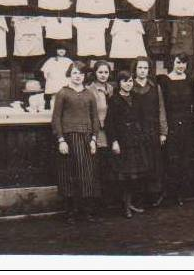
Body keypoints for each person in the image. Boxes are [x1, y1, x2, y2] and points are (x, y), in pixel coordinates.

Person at [52, 61, 102, 223]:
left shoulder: (89, 94)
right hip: (69, 139)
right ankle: (70, 213)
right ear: (69, 75)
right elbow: (56, 119)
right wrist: (61, 140)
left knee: (86, 175)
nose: (78, 76)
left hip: (86, 139)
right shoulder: (63, 93)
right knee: (69, 174)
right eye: (74, 73)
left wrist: (94, 139)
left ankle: (86, 211)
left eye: (80, 74)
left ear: (84, 76)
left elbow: (95, 118)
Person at [105, 71, 151, 218]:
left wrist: (143, 135)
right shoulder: (114, 100)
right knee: (125, 175)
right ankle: (125, 206)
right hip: (122, 141)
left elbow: (143, 118)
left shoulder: (137, 98)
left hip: (136, 140)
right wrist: (114, 141)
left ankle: (131, 203)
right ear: (119, 83)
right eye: (125, 81)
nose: (128, 84)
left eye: (130, 81)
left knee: (135, 175)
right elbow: (110, 123)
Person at [156, 53, 194, 206]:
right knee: (170, 159)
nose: (181, 66)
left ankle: (181, 193)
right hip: (171, 124)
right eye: (178, 62)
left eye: (184, 63)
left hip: (186, 124)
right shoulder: (164, 80)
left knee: (184, 159)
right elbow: (162, 105)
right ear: (172, 63)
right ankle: (168, 192)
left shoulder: (190, 81)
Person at [132, 56, 168, 208]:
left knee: (153, 164)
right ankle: (138, 198)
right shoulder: (130, 86)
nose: (142, 71)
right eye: (140, 68)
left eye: (145, 68)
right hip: (135, 132)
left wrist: (163, 131)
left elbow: (161, 109)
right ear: (135, 69)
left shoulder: (155, 87)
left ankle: (153, 197)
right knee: (139, 164)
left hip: (152, 130)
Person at [87, 60, 115, 195]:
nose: (103, 75)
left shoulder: (111, 89)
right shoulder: (89, 90)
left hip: (111, 132)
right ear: (95, 73)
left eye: (106, 72)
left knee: (110, 166)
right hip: (98, 133)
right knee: (98, 165)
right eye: (100, 72)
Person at [40, 44, 74, 110]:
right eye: (59, 49)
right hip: (53, 82)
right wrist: (49, 78)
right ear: (56, 50)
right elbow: (45, 71)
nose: (61, 51)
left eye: (63, 49)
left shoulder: (69, 61)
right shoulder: (51, 60)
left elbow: (71, 72)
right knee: (52, 100)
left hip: (64, 81)